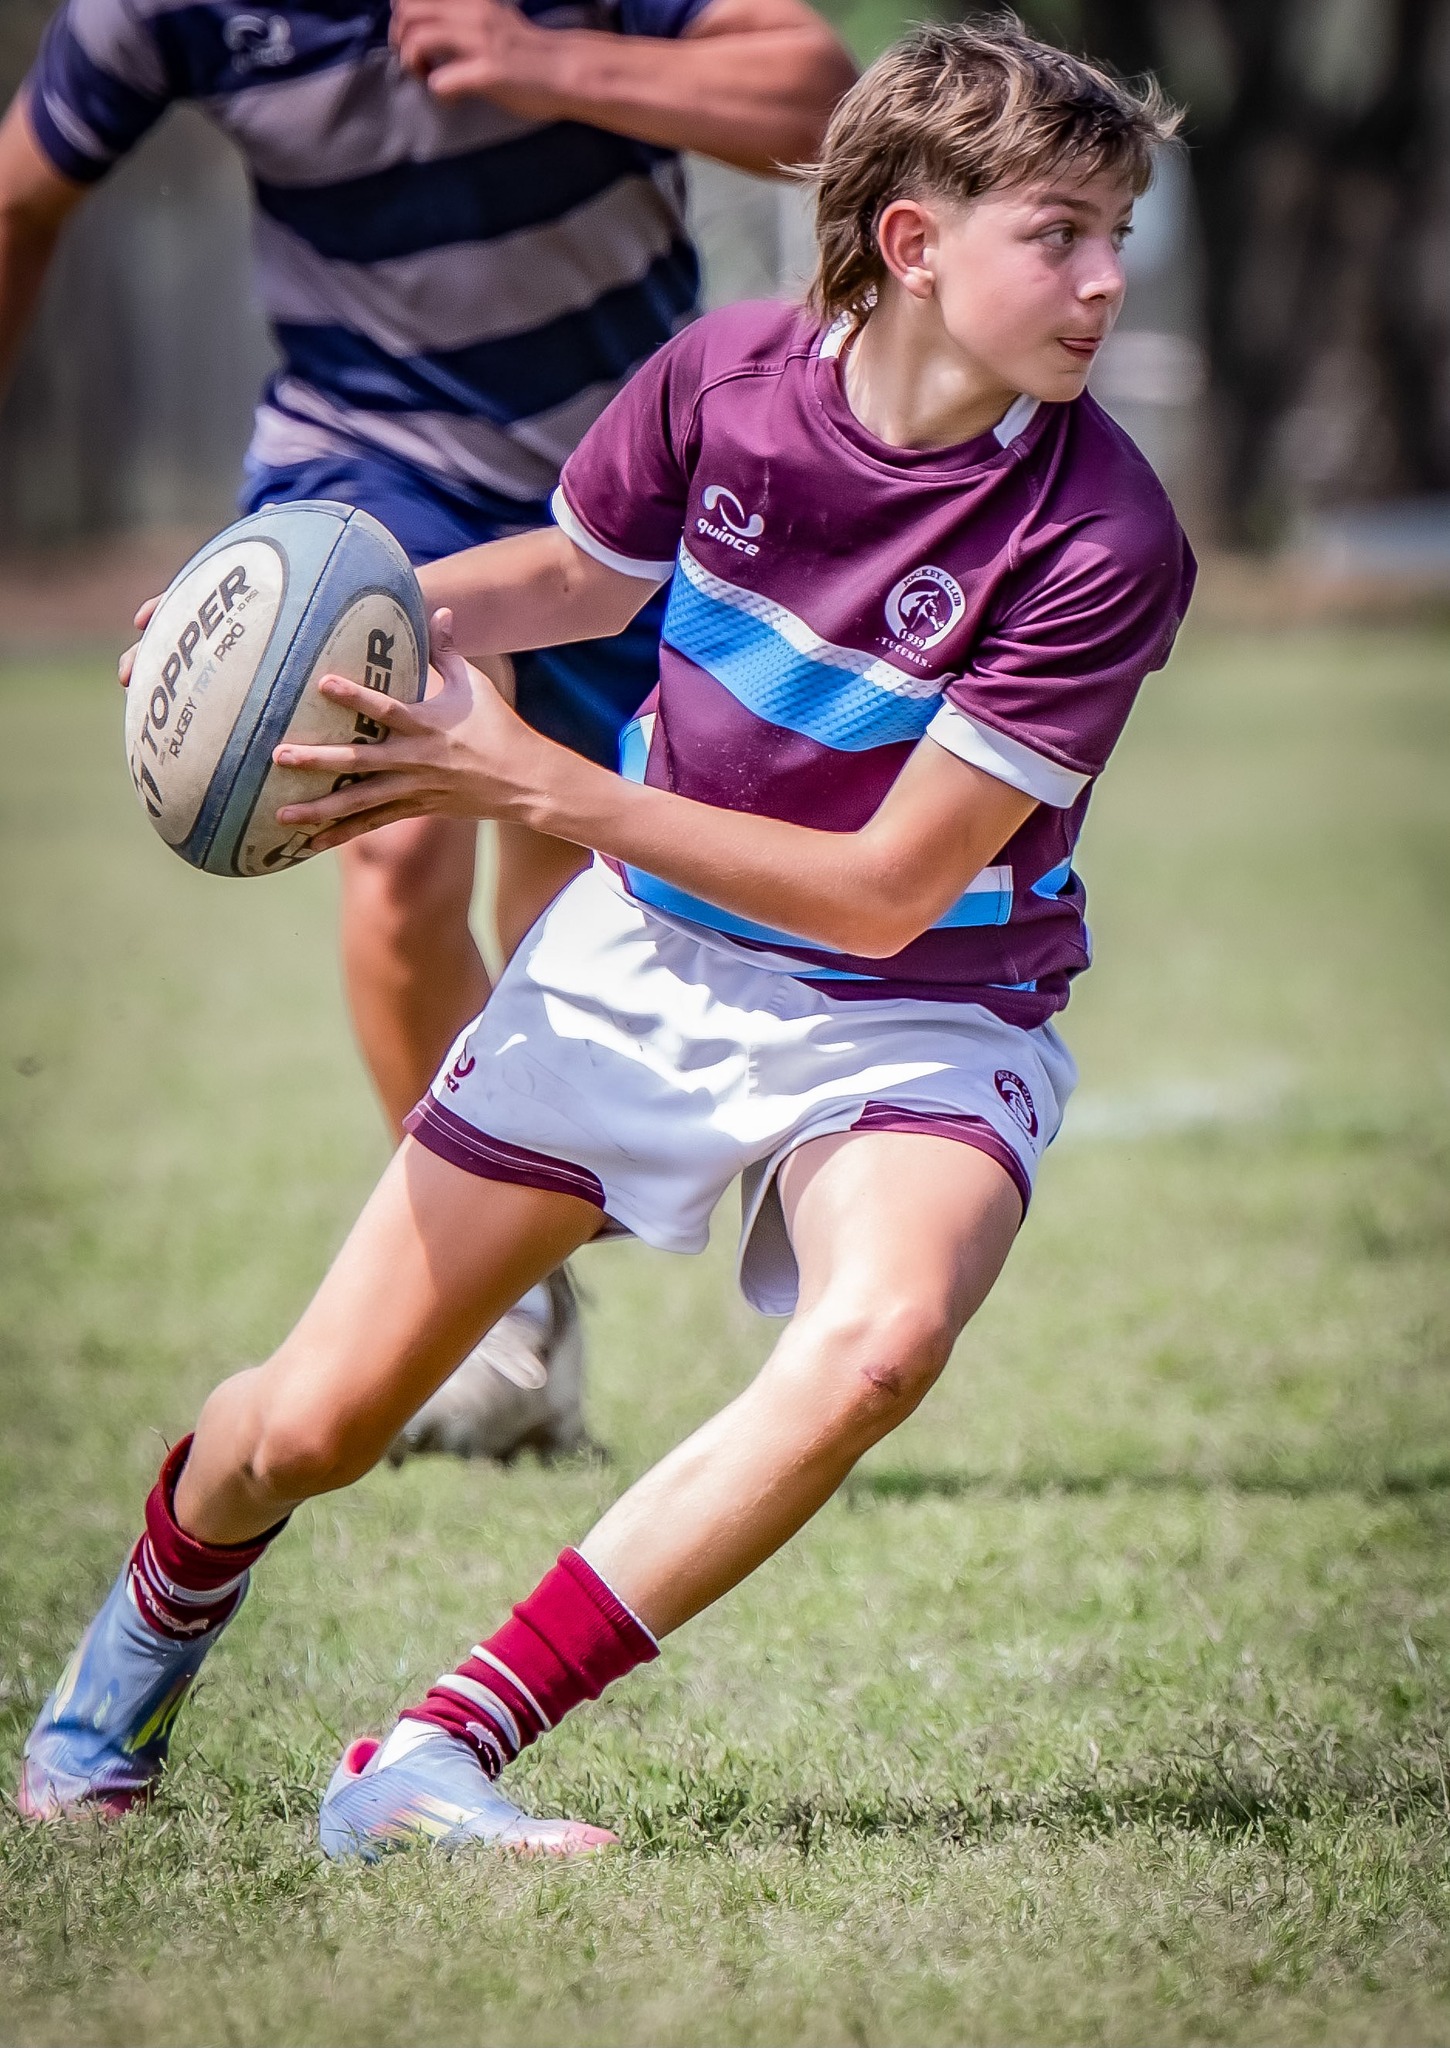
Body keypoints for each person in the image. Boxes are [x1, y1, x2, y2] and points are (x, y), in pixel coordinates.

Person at [21, 18, 1195, 1855]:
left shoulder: (1103, 531)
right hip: (639, 970)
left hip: (916, 1009)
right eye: (1059, 233)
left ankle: (428, 1756)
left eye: (1115, 231)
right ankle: (123, 1671)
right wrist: (294, 617)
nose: (1107, 278)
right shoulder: (721, 378)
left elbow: (887, 888)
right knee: (308, 1429)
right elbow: (579, 572)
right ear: (909, 243)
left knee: (880, 1341)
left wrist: (539, 788)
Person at [0, 0, 855, 1443]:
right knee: (392, 845)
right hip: (365, 465)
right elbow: (25, 193)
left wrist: (547, 62)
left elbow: (821, 101)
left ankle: (521, 1245)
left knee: (582, 912)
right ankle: (489, 1309)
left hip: (632, 477)